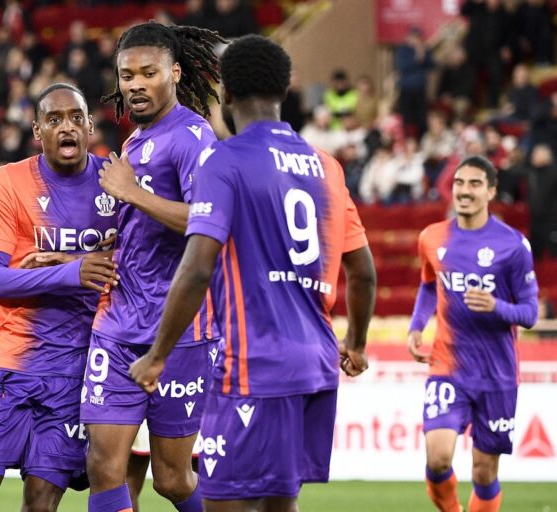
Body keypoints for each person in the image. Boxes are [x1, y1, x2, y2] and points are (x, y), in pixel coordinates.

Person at [130, 34, 377, 512]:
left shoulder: (226, 160)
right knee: (279, 503)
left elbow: (196, 268)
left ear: (225, 93)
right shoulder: (326, 167)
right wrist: (358, 343)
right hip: (317, 366)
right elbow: (363, 271)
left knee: (226, 504)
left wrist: (157, 356)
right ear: (284, 91)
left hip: (254, 366)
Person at [0, 83, 119, 512]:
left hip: (76, 370)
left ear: (90, 126)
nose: (67, 127)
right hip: (12, 361)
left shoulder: (116, 182)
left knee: (41, 503)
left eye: (76, 118)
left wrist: (72, 263)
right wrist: (74, 272)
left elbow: (138, 262)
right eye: (54, 119)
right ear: (38, 130)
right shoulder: (8, 182)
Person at [82, 21, 225, 512]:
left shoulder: (192, 136)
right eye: (127, 76)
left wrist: (131, 193)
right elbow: (140, 229)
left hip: (179, 331)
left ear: (175, 73)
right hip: (118, 324)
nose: (136, 85)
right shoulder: (138, 140)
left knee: (171, 478)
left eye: (149, 73)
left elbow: (209, 221)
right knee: (104, 466)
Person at [407, 155, 539, 512]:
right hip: (449, 366)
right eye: (459, 183)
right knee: (438, 459)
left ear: (491, 191)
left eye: (475, 184)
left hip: (497, 373)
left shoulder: (513, 245)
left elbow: (530, 313)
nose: (465, 191)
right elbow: (429, 284)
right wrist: (417, 326)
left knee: (484, 471)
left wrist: (496, 306)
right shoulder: (432, 237)